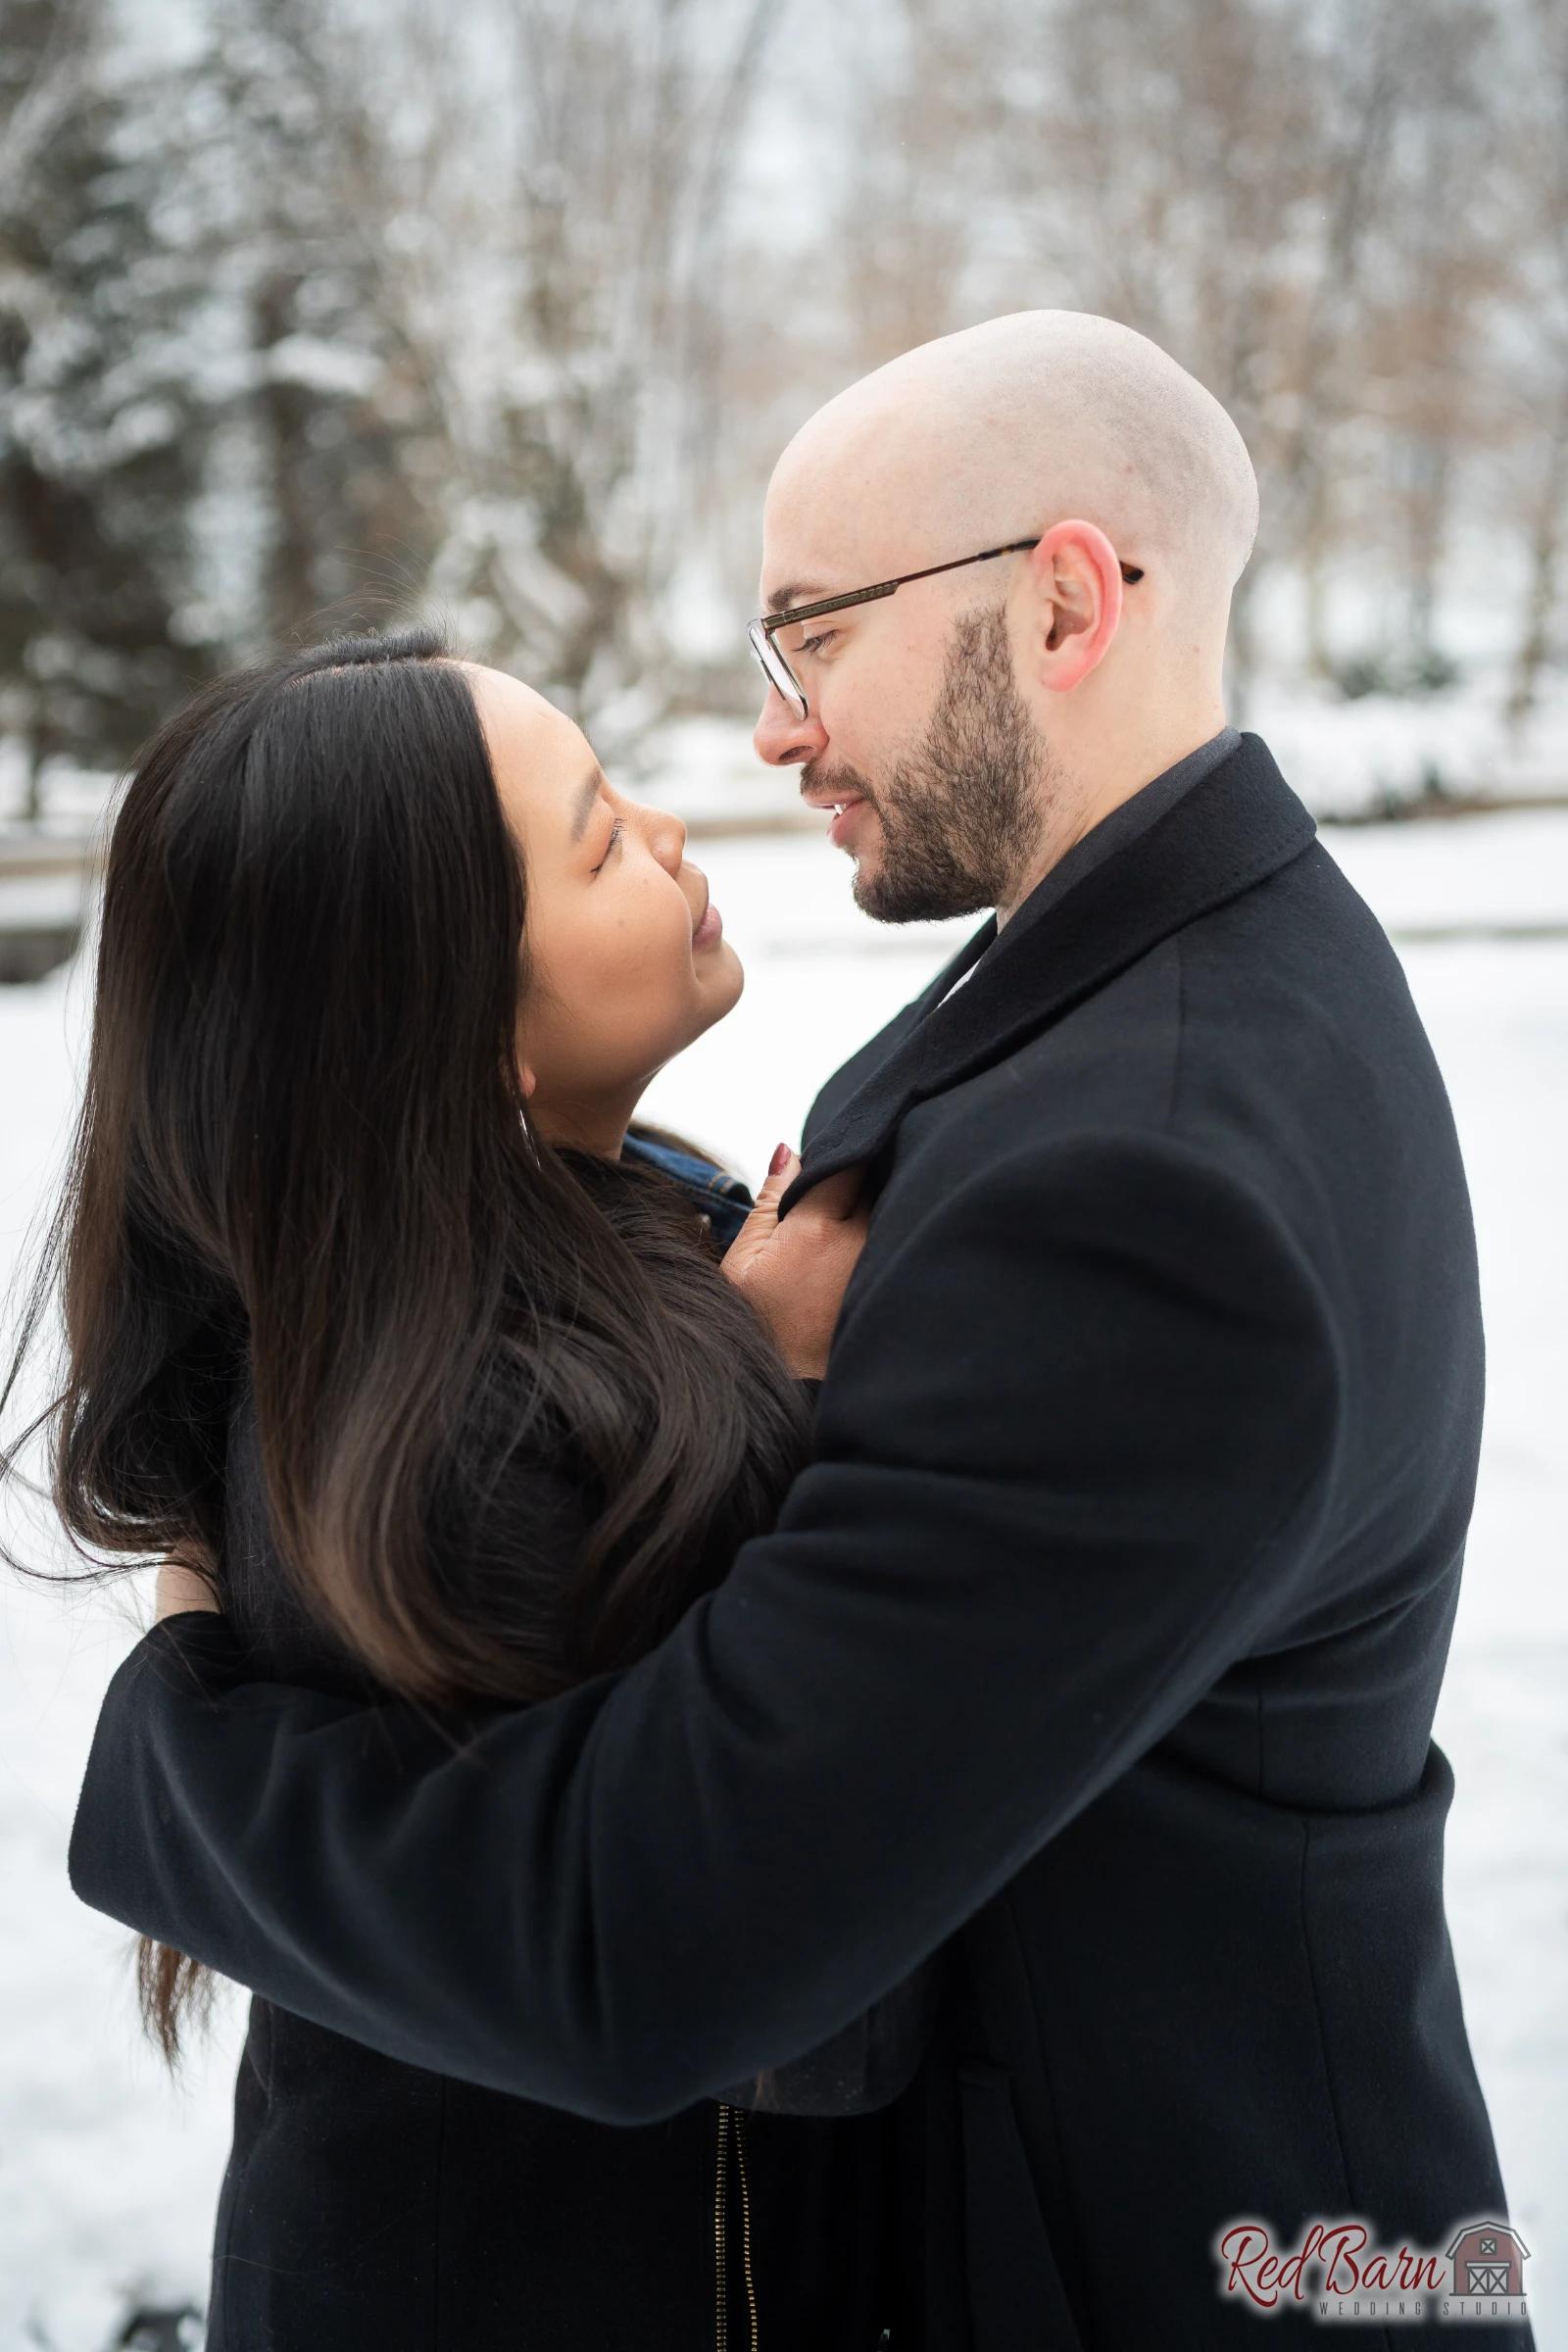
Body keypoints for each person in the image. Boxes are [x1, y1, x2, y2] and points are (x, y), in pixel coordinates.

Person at [67, 312, 1528, 2347]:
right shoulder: (1126, 974)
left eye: (813, 635)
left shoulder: (1149, 1173)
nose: (764, 734)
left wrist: (175, 1751)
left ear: (1061, 603)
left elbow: (662, 1932)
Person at [5, 629, 938, 2348]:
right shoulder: (452, 1439)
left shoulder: (587, 1236)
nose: (667, 828)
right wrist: (788, 1397)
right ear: (459, 1035)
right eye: (594, 836)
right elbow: (772, 1962)